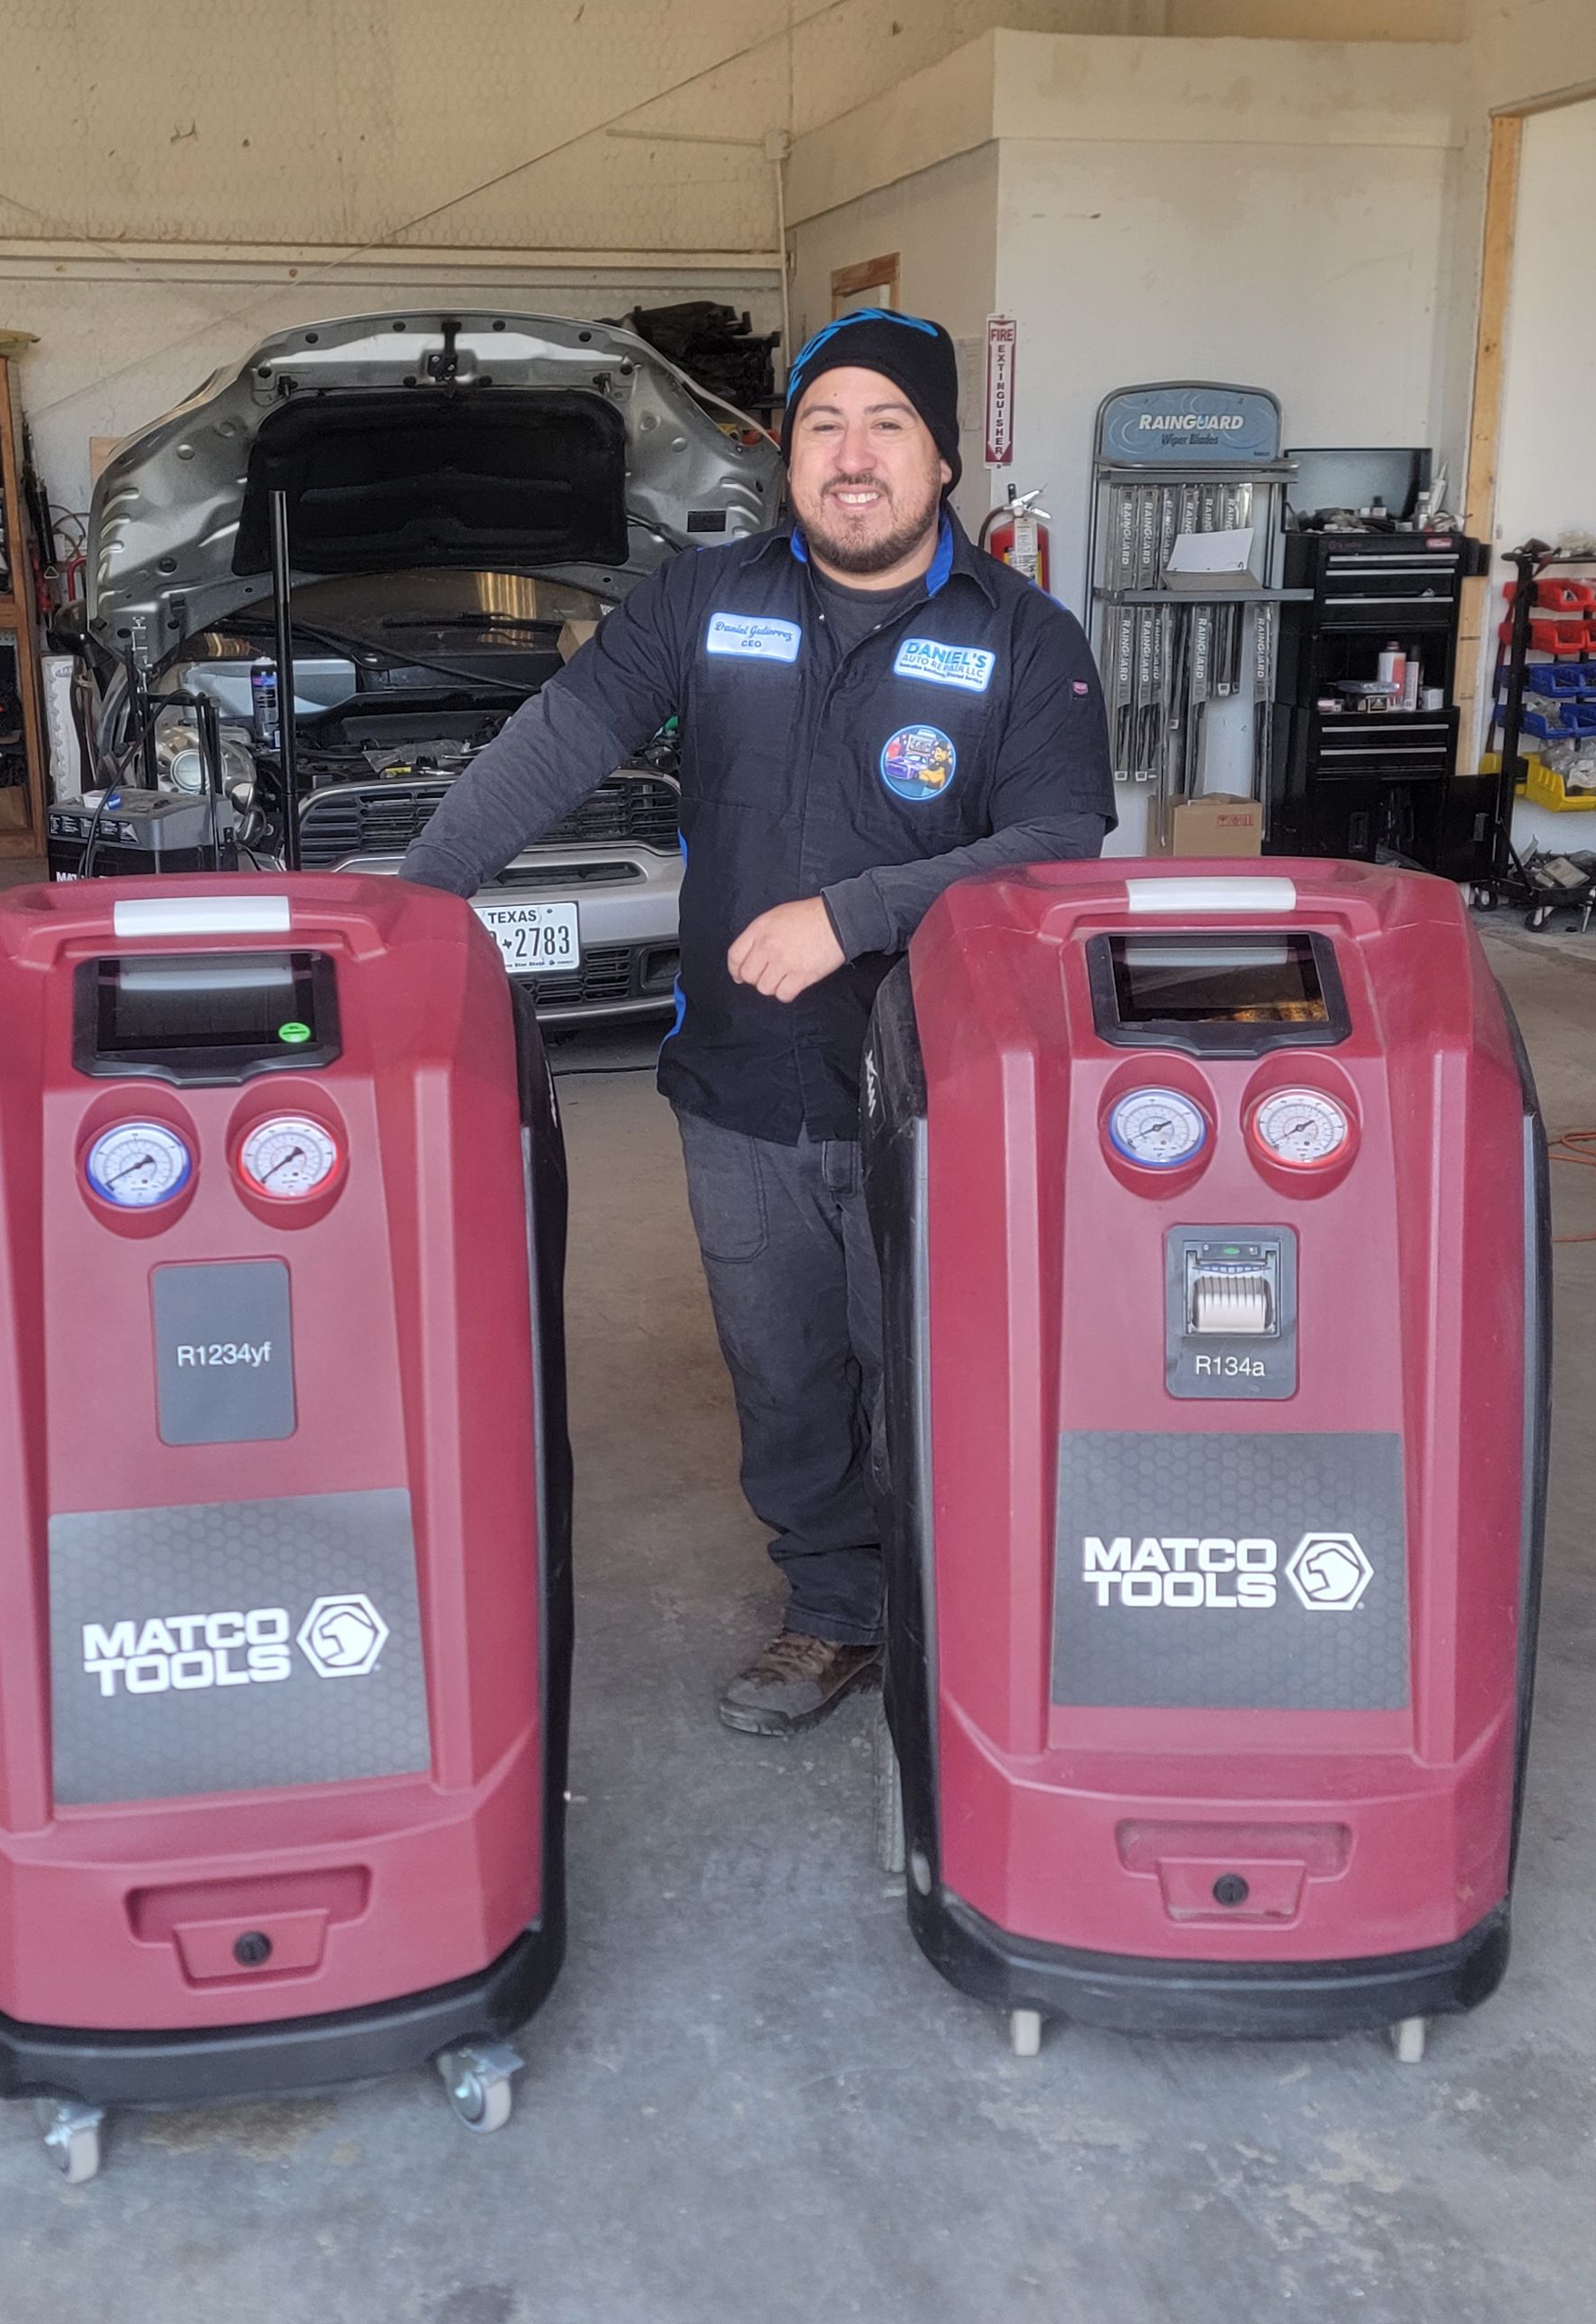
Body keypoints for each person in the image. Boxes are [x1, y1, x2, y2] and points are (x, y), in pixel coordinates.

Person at [401, 309, 1115, 1737]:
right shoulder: (704, 599)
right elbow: (559, 737)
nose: (853, 458)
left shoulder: (1023, 637)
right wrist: (415, 908)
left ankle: (956, 1609)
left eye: (886, 426)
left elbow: (1059, 846)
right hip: (741, 1080)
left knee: (932, 1363)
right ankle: (837, 1610)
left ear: (944, 457)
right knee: (785, 1371)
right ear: (786, 455)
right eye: (824, 427)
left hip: (942, 1088)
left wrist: (855, 914)